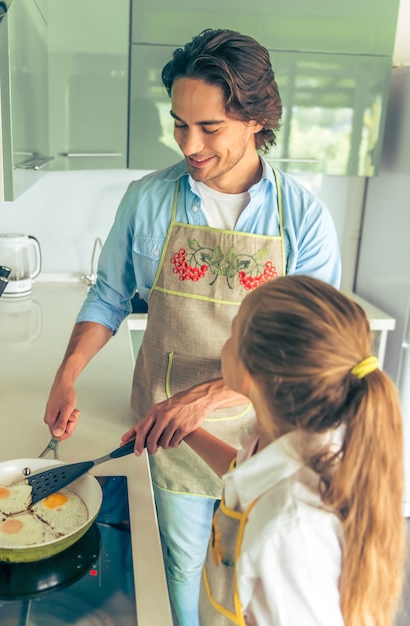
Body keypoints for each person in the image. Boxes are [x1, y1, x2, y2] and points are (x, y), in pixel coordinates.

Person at [44, 29, 341, 626]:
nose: (189, 144)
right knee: (179, 567)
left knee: (254, 576)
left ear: (255, 119)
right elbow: (109, 294)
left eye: (210, 128)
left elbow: (312, 350)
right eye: (180, 124)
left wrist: (208, 396)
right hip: (167, 431)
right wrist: (68, 373)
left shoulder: (302, 217)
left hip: (266, 437)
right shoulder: (148, 199)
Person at [160, 275, 404, 625]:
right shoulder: (282, 437)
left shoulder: (293, 528)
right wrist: (187, 432)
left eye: (233, 333)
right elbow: (245, 473)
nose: (224, 345)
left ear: (249, 373)